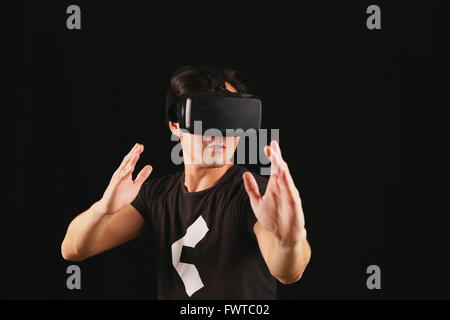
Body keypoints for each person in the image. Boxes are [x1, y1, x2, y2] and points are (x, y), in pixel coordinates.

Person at [61, 65, 311, 299]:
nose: (221, 131)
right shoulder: (157, 195)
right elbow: (73, 249)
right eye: (208, 115)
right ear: (175, 124)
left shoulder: (254, 195)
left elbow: (288, 271)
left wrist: (290, 240)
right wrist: (104, 210)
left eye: (231, 116)